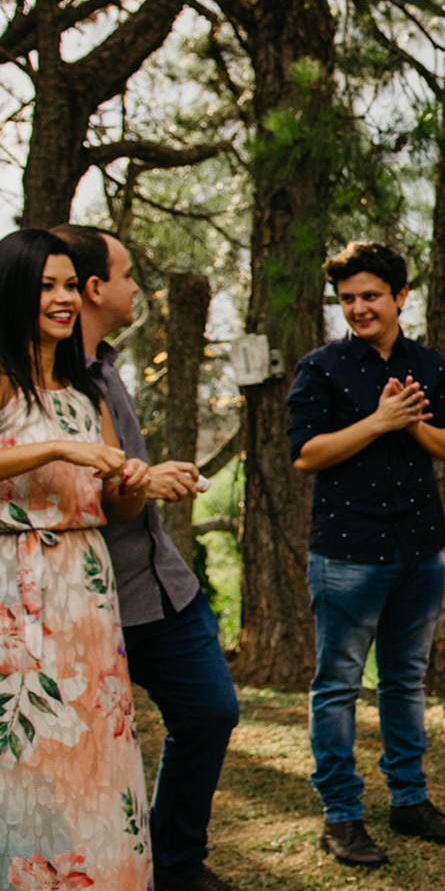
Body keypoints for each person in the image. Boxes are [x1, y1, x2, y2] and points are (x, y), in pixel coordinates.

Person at [51, 224, 245, 891]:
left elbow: (121, 494)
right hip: (86, 601)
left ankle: (178, 862)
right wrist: (140, 480)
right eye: (128, 273)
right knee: (85, 749)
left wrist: (146, 479)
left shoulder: (106, 371)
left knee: (211, 712)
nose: (138, 286)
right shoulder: (52, 385)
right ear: (96, 287)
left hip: (162, 587)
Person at [286, 241, 445, 867]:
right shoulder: (321, 368)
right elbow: (306, 454)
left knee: (405, 680)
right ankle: (340, 817)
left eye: (370, 296)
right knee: (336, 686)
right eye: (347, 299)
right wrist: (379, 420)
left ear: (400, 296)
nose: (359, 308)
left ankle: (409, 801)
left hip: (420, 546)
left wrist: (411, 424)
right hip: (346, 552)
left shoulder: (430, 364)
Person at [0, 228, 153, 889]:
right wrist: (58, 450)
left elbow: (115, 505)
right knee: (31, 760)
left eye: (70, 285)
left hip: (89, 596)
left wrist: (134, 483)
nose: (64, 299)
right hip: (17, 587)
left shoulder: (85, 393)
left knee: (95, 752)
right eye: (47, 286)